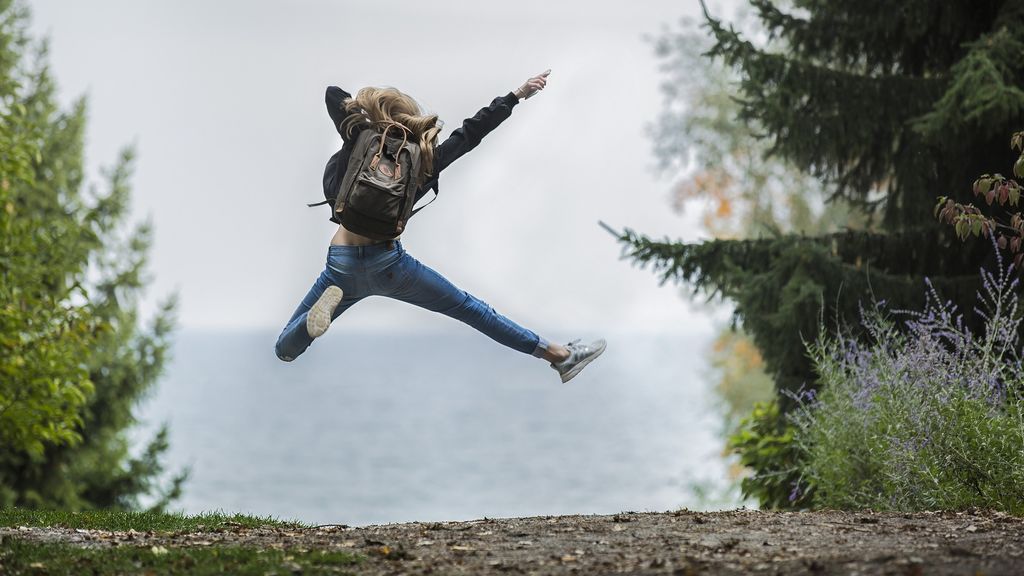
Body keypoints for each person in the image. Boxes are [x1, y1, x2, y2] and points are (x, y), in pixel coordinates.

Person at [274, 70, 605, 383]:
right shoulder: (424, 159)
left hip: (341, 263)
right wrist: (516, 95)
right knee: (472, 310)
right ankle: (560, 356)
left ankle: (310, 323)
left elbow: (334, 94)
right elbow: (471, 133)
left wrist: (369, 115)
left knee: (285, 349)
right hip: (390, 265)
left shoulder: (359, 137)